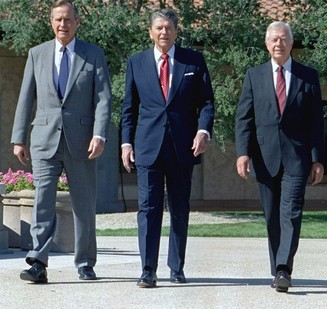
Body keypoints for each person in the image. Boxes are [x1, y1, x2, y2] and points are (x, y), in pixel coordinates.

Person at [11, 0, 111, 283]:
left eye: (68, 19)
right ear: (51, 22)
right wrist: (19, 138)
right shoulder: (37, 54)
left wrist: (99, 134)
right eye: (58, 19)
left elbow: (103, 99)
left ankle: (85, 263)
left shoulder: (93, 54)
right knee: (42, 201)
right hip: (44, 139)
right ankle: (37, 263)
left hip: (81, 141)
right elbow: (26, 96)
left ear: (77, 22)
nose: (63, 25)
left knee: (83, 203)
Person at [120, 8, 215, 288]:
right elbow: (129, 108)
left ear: (176, 31)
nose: (164, 32)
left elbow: (207, 102)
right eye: (159, 27)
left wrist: (203, 130)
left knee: (179, 208)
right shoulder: (136, 63)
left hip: (182, 147)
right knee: (148, 209)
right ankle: (148, 269)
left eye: (169, 28)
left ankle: (176, 267)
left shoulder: (193, 61)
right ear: (150, 32)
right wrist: (126, 142)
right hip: (148, 147)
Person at [235, 21, 325, 293]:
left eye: (283, 39)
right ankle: (278, 269)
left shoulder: (308, 77)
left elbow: (316, 123)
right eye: (273, 39)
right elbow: (244, 118)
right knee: (272, 215)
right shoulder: (254, 75)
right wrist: (242, 153)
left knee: (291, 212)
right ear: (266, 44)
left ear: (291, 43)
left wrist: (317, 158)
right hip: (264, 156)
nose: (278, 43)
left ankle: (284, 268)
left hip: (297, 159)